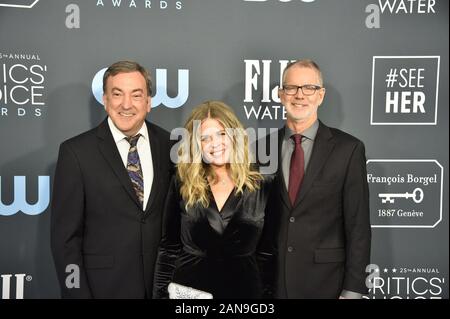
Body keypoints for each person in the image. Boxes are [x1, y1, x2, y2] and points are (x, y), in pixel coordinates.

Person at [51, 60, 173, 298]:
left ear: (148, 102)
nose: (126, 104)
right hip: (103, 290)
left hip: (163, 289)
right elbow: (66, 241)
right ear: (105, 100)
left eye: (136, 95)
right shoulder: (76, 153)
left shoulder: (171, 146)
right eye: (117, 94)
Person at [263, 59, 371, 299]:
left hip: (326, 283)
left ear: (320, 95)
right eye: (291, 88)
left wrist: (353, 290)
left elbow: (358, 226)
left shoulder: (348, 149)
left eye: (309, 88)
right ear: (281, 95)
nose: (299, 95)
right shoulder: (261, 148)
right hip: (270, 283)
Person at [152, 101, 275, 299]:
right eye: (205, 138)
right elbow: (168, 250)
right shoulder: (182, 183)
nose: (215, 143)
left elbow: (267, 255)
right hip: (190, 295)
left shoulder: (263, 184)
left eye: (221, 134)